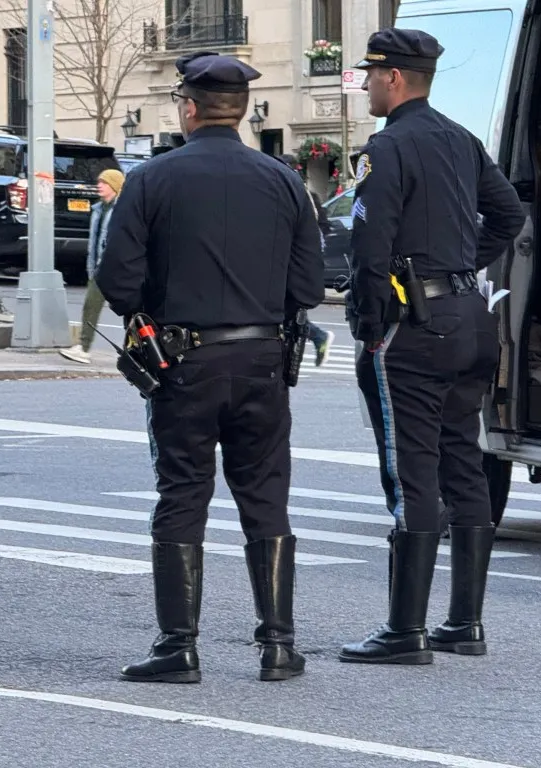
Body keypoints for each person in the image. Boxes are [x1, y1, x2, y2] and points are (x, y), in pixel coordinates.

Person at [95, 50, 325, 682]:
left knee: (182, 492)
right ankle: (278, 645)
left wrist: (149, 312)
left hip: (183, 358)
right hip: (262, 358)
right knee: (266, 495)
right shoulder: (284, 181)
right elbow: (307, 283)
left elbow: (116, 280)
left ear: (189, 109)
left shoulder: (152, 179)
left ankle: (179, 647)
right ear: (243, 111)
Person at [338, 28, 525, 665]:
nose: (365, 84)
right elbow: (509, 215)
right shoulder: (461, 139)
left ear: (394, 79)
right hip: (471, 314)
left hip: (414, 325)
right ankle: (464, 623)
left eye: (371, 74)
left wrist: (369, 322)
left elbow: (368, 244)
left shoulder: (388, 148)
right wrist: (457, 267)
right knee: (462, 463)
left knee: (412, 469)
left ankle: (403, 631)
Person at [59, 168, 125, 364]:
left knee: (130, 311)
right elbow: (95, 241)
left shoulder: (121, 209)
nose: (99, 186)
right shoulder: (98, 209)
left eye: (104, 183)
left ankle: (86, 347)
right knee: (91, 306)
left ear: (114, 186)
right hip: (98, 267)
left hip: (114, 268)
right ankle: (83, 347)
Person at [279, 153, 330, 366]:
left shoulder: (294, 192)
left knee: (288, 308)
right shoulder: (306, 193)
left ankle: (317, 336)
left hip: (295, 255)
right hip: (306, 254)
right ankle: (316, 336)